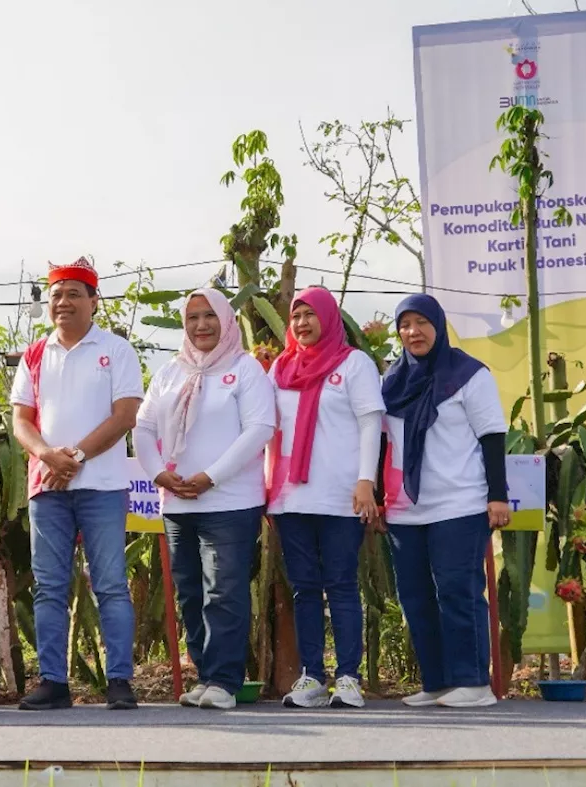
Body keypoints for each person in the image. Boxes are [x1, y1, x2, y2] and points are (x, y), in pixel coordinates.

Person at [11, 257, 144, 711]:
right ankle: (54, 682)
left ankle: (120, 682)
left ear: (93, 301)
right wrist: (49, 456)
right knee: (49, 586)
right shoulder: (34, 354)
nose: (62, 303)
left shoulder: (117, 350)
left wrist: (78, 456)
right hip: (46, 484)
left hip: (102, 485)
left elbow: (125, 416)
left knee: (109, 583)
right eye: (56, 296)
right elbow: (20, 421)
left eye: (73, 294)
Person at [134, 288, 274, 710]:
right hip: (178, 503)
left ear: (226, 320)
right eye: (192, 317)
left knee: (224, 591)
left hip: (230, 502)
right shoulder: (169, 373)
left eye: (209, 316)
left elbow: (260, 429)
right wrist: (160, 474)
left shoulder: (245, 369)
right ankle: (205, 674)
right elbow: (143, 428)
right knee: (190, 593)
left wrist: (210, 477)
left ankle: (226, 681)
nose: (200, 325)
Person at [381, 293, 510, 709]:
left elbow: (492, 435)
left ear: (438, 325)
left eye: (421, 322)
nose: (412, 332)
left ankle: (473, 683)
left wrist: (497, 496)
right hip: (405, 508)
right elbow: (383, 442)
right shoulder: (392, 381)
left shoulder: (469, 375)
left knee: (458, 590)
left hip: (459, 502)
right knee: (415, 597)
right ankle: (436, 683)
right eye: (404, 324)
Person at [267, 286, 385, 709]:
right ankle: (312, 677)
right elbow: (266, 430)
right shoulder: (280, 369)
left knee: (340, 584)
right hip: (291, 498)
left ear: (329, 318)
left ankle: (349, 677)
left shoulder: (353, 364)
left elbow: (371, 422)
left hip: (341, 496)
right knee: (303, 588)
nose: (301, 323)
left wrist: (365, 481)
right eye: (295, 316)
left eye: (309, 314)